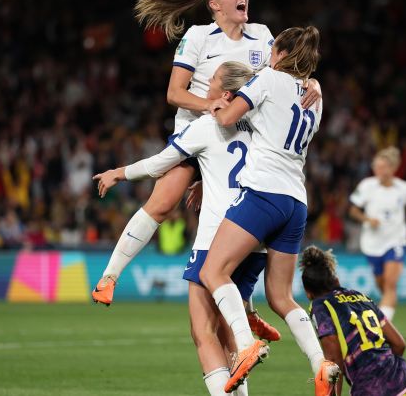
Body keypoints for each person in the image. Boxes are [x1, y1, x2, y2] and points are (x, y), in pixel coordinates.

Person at [92, 0, 321, 308]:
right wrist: (208, 105)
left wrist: (312, 81)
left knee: (239, 219)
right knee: (163, 202)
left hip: (241, 139)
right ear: (215, 5)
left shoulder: (261, 35)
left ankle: (245, 308)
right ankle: (109, 278)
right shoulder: (198, 36)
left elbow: (289, 70)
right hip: (200, 132)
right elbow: (174, 93)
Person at [93, 61, 274, 396]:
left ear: (225, 94)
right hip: (257, 236)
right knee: (227, 332)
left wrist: (118, 172)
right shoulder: (264, 125)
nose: (205, 86)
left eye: (212, 81)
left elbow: (160, 163)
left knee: (203, 331)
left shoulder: (207, 126)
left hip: (217, 235)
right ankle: (249, 333)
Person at [198, 26, 339, 396]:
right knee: (281, 297)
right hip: (296, 202)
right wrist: (316, 82)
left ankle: (245, 344)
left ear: (281, 52)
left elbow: (228, 118)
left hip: (263, 193)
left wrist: (217, 106)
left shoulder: (268, 78)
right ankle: (320, 363)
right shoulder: (316, 97)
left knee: (214, 271)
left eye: (273, 47)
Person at [300, 246, 406, 396]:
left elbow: (333, 358)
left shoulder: (320, 306)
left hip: (371, 389)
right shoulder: (361, 297)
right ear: (336, 280)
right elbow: (399, 344)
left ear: (308, 293)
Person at [348, 147, 406, 321]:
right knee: (383, 286)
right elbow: (353, 210)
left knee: (390, 285)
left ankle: (379, 326)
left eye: (383, 167)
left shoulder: (404, 188)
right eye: (377, 167)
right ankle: (387, 315)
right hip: (372, 244)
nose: (379, 171)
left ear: (393, 167)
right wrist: (367, 219)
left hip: (396, 241)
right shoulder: (367, 186)